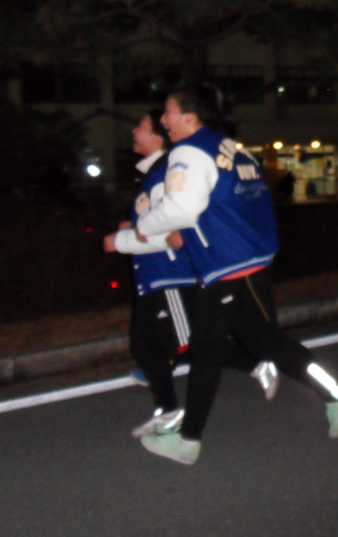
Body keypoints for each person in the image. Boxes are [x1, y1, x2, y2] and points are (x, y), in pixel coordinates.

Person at [133, 84, 338, 464]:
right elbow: (235, 205)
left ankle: (337, 393)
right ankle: (188, 440)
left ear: (189, 116)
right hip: (238, 262)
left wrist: (145, 226)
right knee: (208, 351)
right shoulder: (231, 148)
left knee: (265, 345)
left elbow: (182, 208)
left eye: (169, 112)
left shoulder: (189, 151)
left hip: (231, 266)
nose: (164, 120)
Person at [103, 110, 279, 438]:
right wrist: (134, 227)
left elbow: (173, 228)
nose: (134, 132)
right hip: (153, 278)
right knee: (147, 344)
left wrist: (122, 241)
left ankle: (252, 364)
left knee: (189, 344)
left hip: (171, 275)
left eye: (141, 127)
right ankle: (168, 406)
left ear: (157, 137)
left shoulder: (167, 171)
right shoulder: (152, 174)